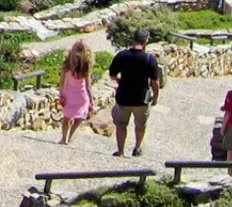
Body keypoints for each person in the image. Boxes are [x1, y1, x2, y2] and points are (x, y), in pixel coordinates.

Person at [107, 29, 161, 158]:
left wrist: (120, 81)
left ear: (133, 39)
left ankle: (120, 151)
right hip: (141, 98)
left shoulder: (122, 55)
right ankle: (137, 148)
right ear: (146, 41)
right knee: (140, 125)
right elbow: (155, 82)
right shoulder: (149, 59)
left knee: (121, 125)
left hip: (123, 96)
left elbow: (112, 74)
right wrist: (156, 97)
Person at [59, 40, 94, 145]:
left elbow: (61, 82)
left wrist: (61, 94)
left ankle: (63, 139)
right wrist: (92, 101)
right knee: (80, 118)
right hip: (81, 95)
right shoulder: (85, 67)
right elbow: (88, 86)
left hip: (68, 94)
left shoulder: (66, 66)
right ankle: (70, 137)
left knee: (66, 117)